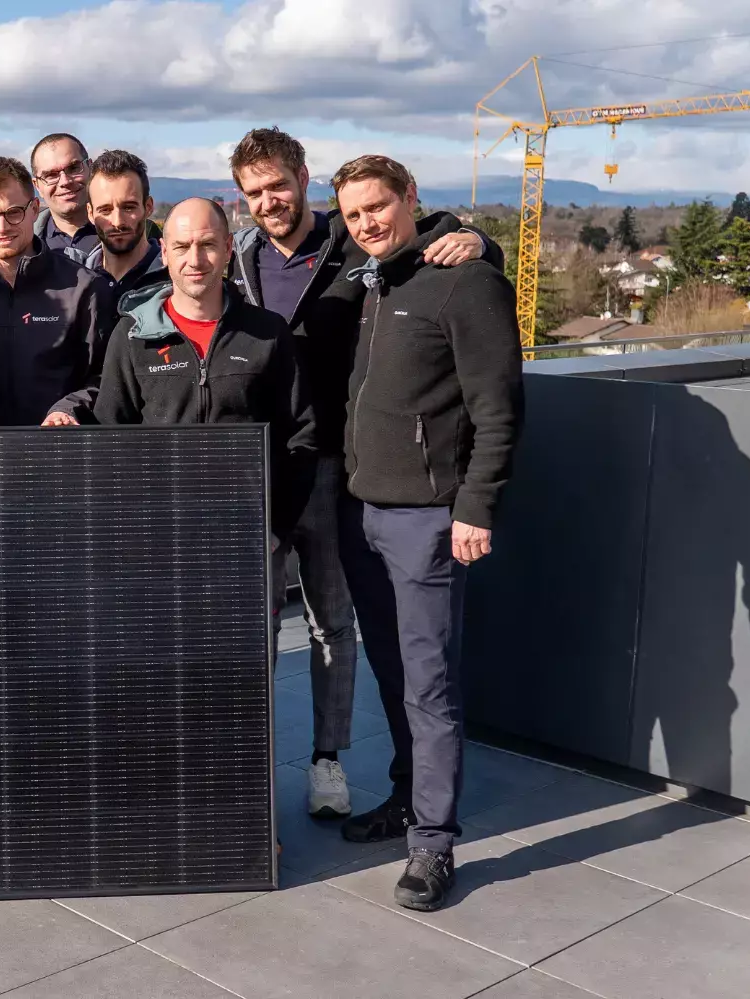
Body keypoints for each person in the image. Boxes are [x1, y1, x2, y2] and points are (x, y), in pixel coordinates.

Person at [228, 127, 498, 822]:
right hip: (274, 463)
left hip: (355, 472)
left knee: (363, 634)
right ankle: (394, 791)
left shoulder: (351, 244)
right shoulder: (240, 258)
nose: (268, 202)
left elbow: (432, 242)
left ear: (303, 178)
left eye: (277, 186)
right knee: (336, 636)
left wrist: (475, 238)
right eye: (253, 193)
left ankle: (386, 790)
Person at [331, 154, 522, 912]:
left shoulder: (464, 279)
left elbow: (499, 408)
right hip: (363, 513)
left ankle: (433, 844)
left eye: (378, 206)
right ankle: (408, 800)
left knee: (429, 684)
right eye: (353, 215)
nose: (367, 223)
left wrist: (475, 506)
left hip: (426, 520)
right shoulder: (373, 276)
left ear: (411, 197)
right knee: (392, 673)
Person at [87, 196, 314, 539]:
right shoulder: (133, 336)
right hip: (157, 534)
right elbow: (111, 440)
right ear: (164, 252)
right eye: (181, 247)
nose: (194, 260)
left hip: (249, 533)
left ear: (227, 249)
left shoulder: (268, 333)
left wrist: (277, 526)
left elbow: (300, 436)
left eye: (207, 245)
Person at [0, 156, 113, 427]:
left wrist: (69, 409)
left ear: (34, 209)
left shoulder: (84, 288)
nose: (1, 227)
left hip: (59, 451)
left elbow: (107, 377)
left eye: (13, 213)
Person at [82, 149, 166, 303]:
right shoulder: (77, 284)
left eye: (128, 207)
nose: (117, 221)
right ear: (90, 213)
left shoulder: (174, 281)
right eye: (105, 210)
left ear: (148, 207)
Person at [29, 133, 101, 262]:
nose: (65, 181)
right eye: (51, 175)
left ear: (91, 168)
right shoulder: (24, 246)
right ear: (37, 186)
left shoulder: (132, 233)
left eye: (73, 168)